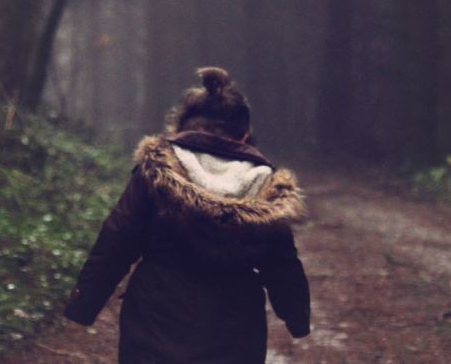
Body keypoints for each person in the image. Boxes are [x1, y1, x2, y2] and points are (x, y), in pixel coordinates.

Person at [63, 67, 311, 363]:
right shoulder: (265, 185)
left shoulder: (156, 171)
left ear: (180, 128)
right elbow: (281, 262)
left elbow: (119, 237)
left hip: (156, 316)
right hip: (234, 326)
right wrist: (297, 318)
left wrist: (85, 303)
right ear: (244, 136)